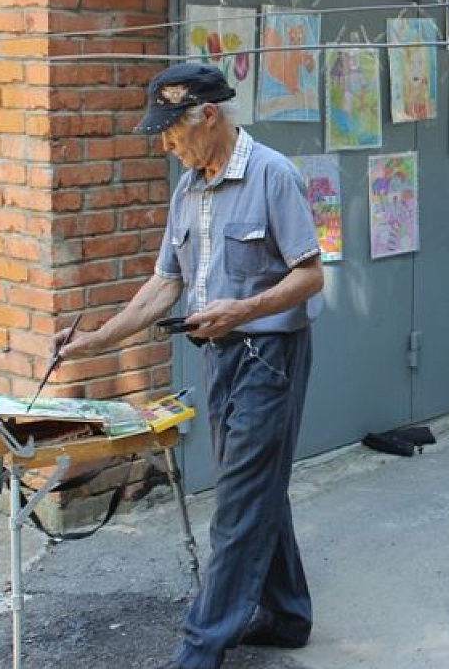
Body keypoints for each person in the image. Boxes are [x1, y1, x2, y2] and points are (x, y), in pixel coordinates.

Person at [55, 64, 324, 669]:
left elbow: (310, 275)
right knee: (255, 490)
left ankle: (200, 649)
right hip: (222, 358)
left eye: (171, 130)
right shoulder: (188, 188)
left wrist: (245, 309)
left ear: (207, 116)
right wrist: (94, 342)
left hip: (270, 358)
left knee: (237, 505)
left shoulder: (272, 176)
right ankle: (287, 615)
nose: (164, 143)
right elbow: (164, 285)